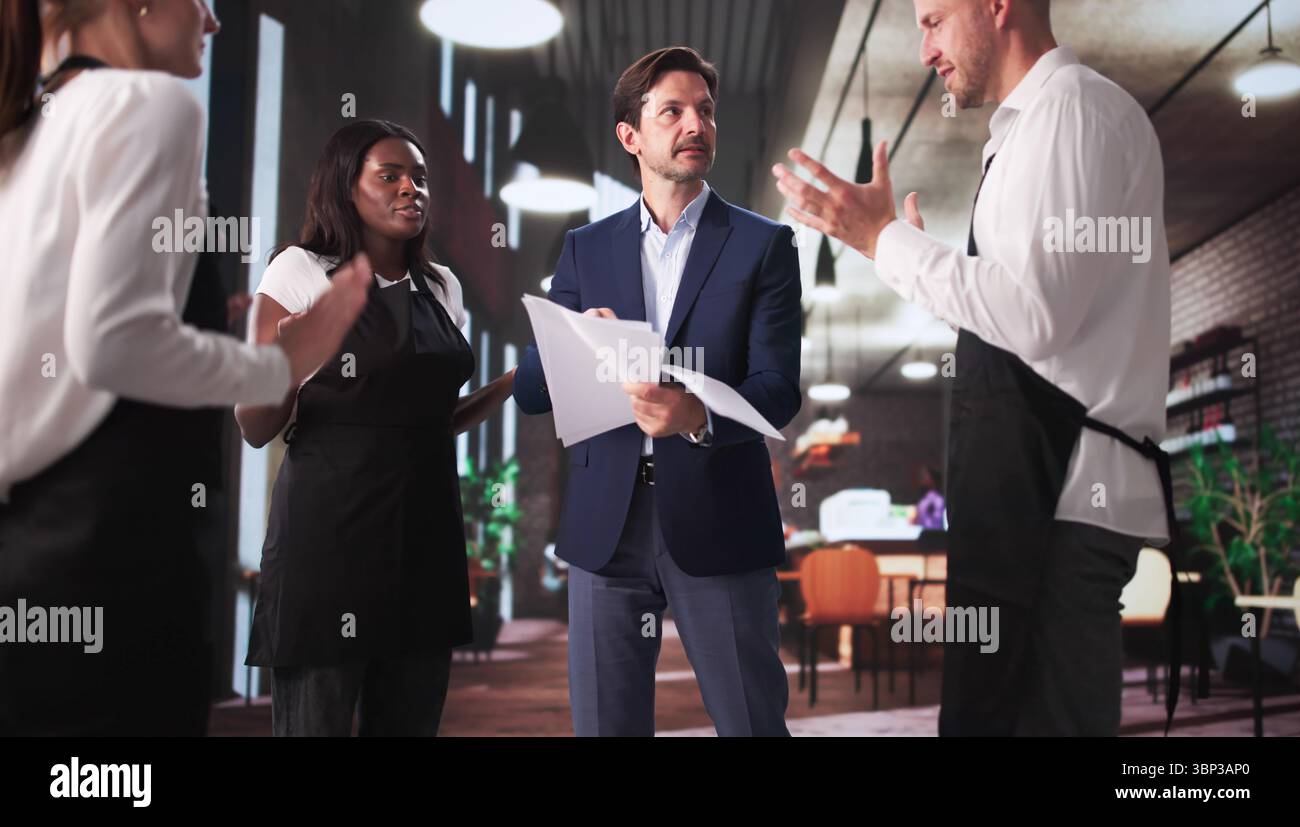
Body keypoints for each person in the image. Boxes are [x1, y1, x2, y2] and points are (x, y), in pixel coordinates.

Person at [772, 0, 1178, 736]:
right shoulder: (1031, 129)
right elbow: (1027, 323)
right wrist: (893, 252)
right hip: (1040, 489)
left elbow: (1035, 316)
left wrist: (885, 240)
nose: (923, 48)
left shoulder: (1072, 114)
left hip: (1064, 498)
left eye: (932, 20)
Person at [0, 0, 369, 736]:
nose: (214, 20)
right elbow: (111, 342)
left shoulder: (35, 118)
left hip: (31, 550)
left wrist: (197, 322)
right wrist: (279, 363)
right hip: (110, 547)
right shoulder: (148, 101)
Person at [514, 47, 802, 736]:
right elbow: (529, 388)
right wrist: (579, 339)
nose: (694, 123)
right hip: (605, 527)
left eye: (704, 110)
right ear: (631, 136)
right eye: (671, 111)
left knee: (751, 724)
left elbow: (777, 389)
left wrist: (696, 413)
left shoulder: (764, 245)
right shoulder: (585, 249)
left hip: (721, 515)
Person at [236, 120, 516, 737]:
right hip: (328, 545)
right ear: (345, 187)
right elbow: (255, 426)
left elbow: (432, 419)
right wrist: (286, 354)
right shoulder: (298, 271)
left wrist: (510, 383)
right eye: (389, 176)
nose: (410, 189)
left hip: (425, 541)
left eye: (420, 178)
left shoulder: (442, 287)